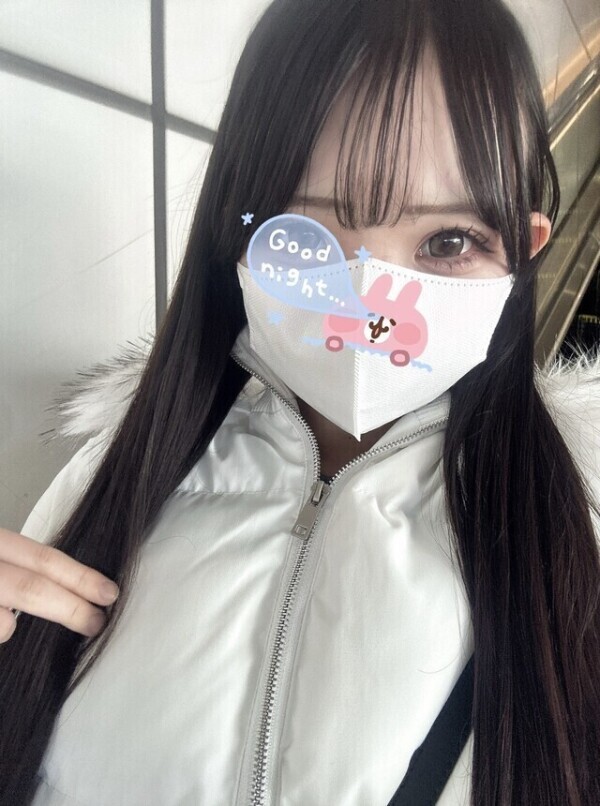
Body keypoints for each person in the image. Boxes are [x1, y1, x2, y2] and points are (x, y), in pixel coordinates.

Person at [0, 0, 599, 803]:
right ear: (237, 232)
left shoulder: (574, 542)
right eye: (302, 237)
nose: (367, 298)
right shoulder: (113, 476)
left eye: (447, 242)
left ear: (523, 250)